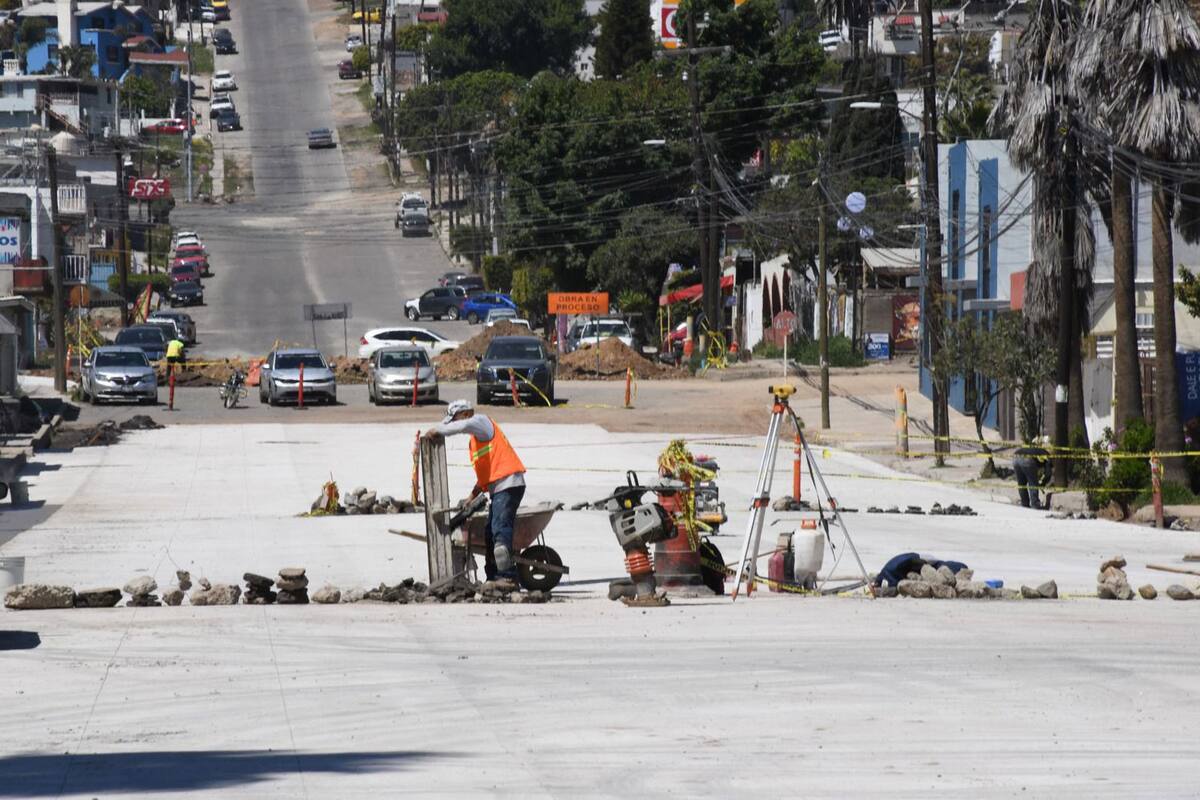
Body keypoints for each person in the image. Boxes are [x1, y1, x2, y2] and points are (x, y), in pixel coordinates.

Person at [423, 399, 526, 589]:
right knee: (490, 534)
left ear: (465, 413)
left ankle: (508, 578)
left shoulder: (481, 422)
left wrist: (437, 430)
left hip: (509, 484)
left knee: (500, 530)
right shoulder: (476, 441)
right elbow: (486, 475)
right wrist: (472, 496)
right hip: (500, 487)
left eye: (454, 419)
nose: (454, 424)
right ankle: (495, 578)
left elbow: (463, 426)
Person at [1013, 438, 1051, 509]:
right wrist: (1043, 483)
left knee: (1021, 483)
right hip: (1027, 459)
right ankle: (1035, 504)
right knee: (1033, 483)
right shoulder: (1047, 455)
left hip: (1015, 457)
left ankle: (1024, 503)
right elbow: (1048, 473)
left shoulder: (1036, 450)